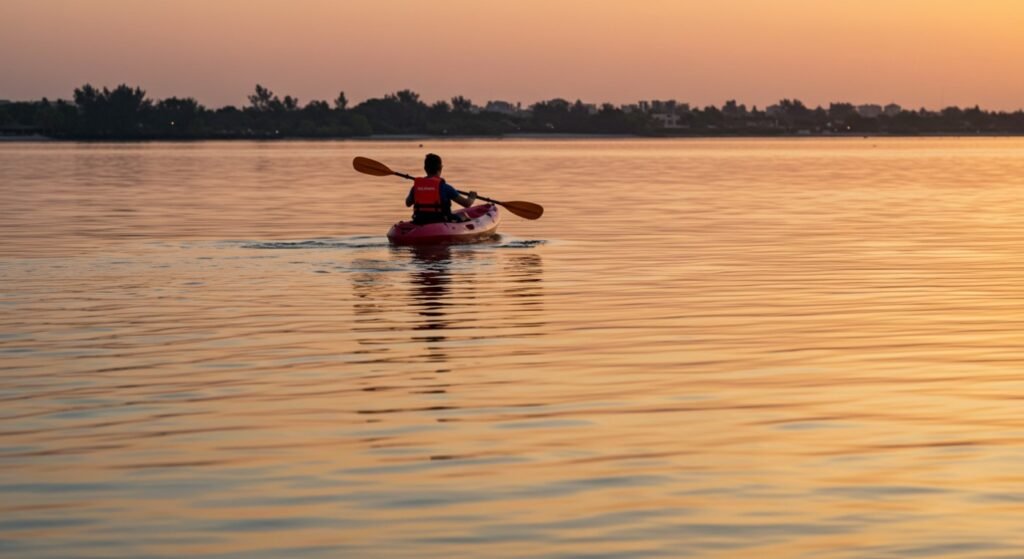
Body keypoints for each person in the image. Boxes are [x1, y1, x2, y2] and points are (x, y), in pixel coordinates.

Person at [406, 153, 477, 224]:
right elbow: (467, 203)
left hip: (419, 220)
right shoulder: (446, 188)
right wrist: (472, 197)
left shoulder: (416, 187)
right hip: (440, 220)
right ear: (441, 168)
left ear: (425, 168)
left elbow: (408, 203)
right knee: (464, 216)